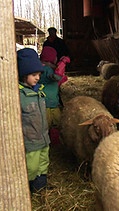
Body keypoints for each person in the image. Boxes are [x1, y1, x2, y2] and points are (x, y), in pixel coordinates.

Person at [17, 48, 50, 193]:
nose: (37, 78)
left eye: (39, 74)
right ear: (24, 75)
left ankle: (40, 187)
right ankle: (27, 190)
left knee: (43, 163)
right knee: (31, 167)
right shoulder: (20, 95)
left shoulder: (39, 92)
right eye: (33, 74)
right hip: (30, 141)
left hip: (43, 138)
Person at [39, 46, 63, 145]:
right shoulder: (46, 69)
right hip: (48, 103)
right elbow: (54, 77)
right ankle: (49, 142)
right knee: (50, 124)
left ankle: (53, 141)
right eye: (55, 56)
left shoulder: (45, 68)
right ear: (51, 58)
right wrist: (62, 65)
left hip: (52, 103)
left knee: (55, 122)